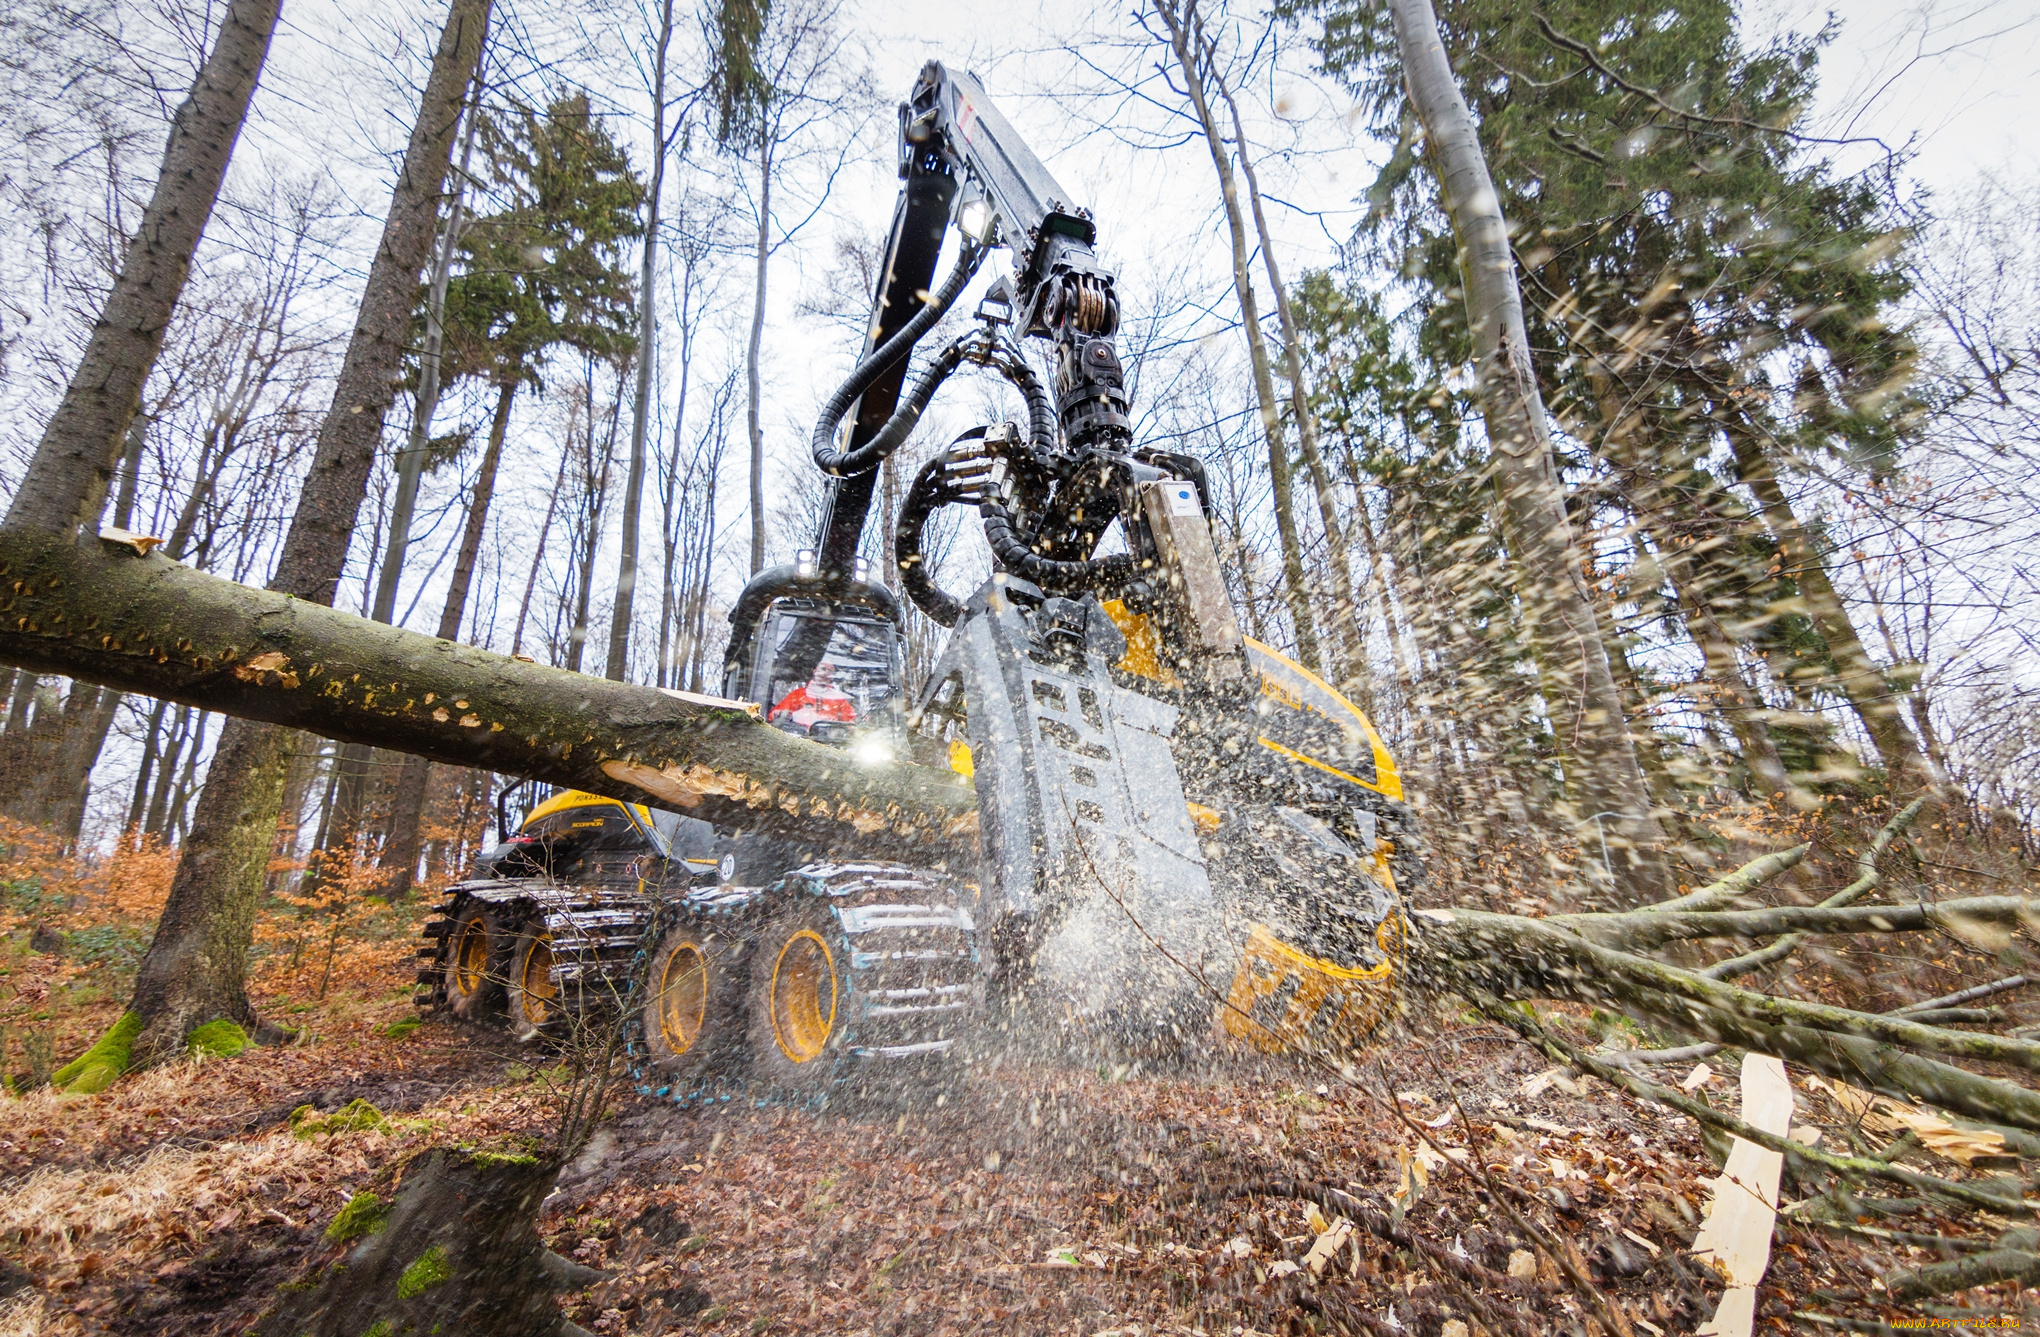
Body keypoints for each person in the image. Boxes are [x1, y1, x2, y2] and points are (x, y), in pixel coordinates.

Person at [770, 660, 857, 729]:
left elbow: (850, 720)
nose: (826, 673)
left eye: (830, 671)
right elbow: (780, 711)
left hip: (828, 741)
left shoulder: (838, 699)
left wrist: (856, 724)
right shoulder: (799, 694)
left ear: (832, 676)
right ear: (815, 671)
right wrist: (777, 713)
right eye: (823, 669)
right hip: (800, 738)